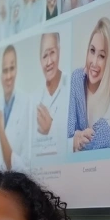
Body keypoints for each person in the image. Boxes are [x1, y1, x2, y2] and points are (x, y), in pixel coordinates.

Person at [68, 17, 110, 151]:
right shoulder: (77, 79)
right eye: (92, 51)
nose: (94, 62)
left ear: (109, 60)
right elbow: (66, 134)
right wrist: (72, 141)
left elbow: (104, 142)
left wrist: (77, 141)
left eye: (102, 56)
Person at [0, 46, 30, 171]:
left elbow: (24, 166)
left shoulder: (28, 104)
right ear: (0, 74)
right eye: (5, 70)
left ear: (17, 70)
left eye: (12, 69)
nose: (8, 75)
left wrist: (0, 130)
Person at [32, 33, 68, 161]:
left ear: (59, 51)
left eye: (52, 53)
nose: (49, 62)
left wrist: (51, 129)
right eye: (44, 56)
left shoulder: (72, 86)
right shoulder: (34, 98)